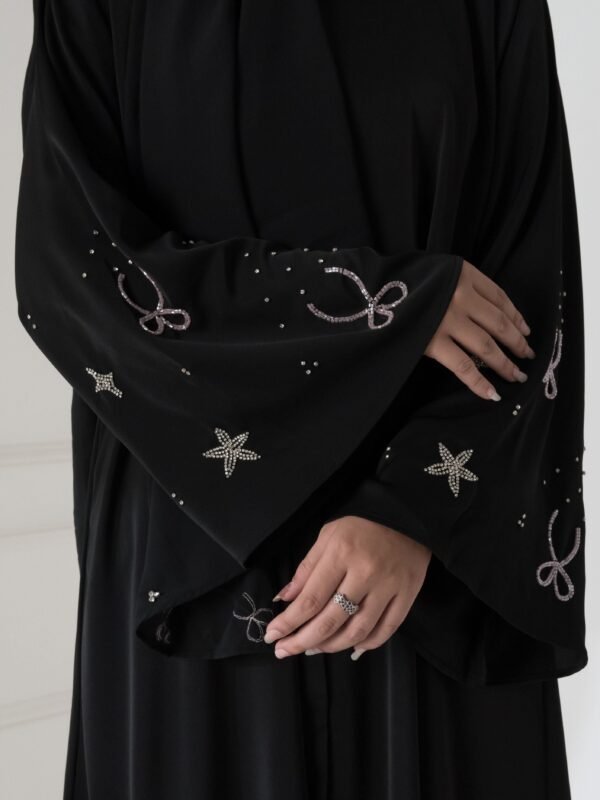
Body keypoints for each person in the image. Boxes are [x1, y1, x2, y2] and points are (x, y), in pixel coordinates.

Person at [15, 0, 587, 797]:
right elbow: (70, 270)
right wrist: (385, 307)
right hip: (192, 553)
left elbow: (533, 276)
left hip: (433, 569)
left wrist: (413, 508)